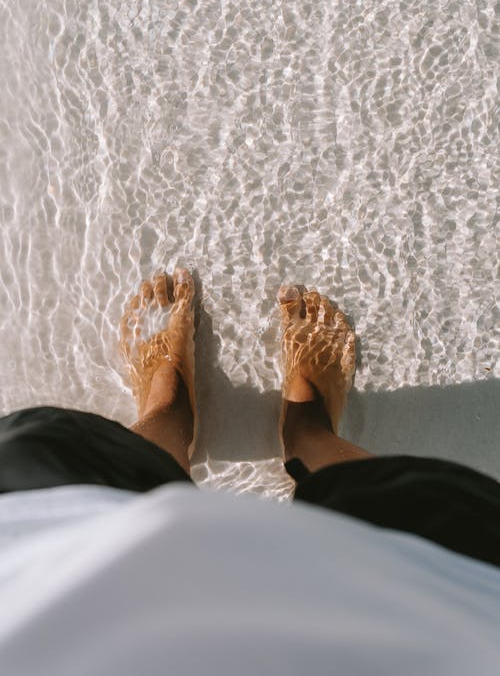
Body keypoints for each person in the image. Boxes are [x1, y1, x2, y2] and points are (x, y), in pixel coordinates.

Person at [0, 268, 498, 675]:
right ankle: (307, 430)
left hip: (46, 602)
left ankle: (168, 411)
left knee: (60, 469)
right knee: (408, 517)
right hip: (431, 625)